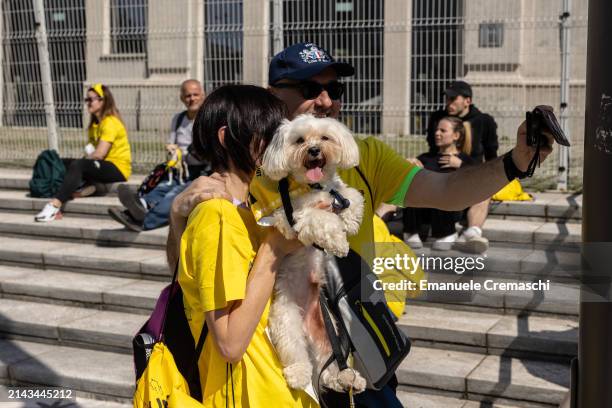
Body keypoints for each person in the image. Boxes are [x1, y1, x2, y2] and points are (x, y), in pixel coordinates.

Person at [166, 42, 555, 407]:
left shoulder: (362, 157)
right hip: (280, 368)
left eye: (335, 89)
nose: (326, 100)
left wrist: (515, 162)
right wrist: (176, 221)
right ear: (272, 95)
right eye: (309, 87)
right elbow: (196, 282)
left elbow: (447, 190)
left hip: (360, 352)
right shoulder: (244, 173)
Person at [177, 84, 318, 407]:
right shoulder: (218, 216)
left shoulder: (251, 208)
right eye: (268, 134)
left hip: (272, 386)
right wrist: (274, 249)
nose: (277, 143)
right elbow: (229, 342)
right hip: (248, 393)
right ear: (228, 138)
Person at [108, 79, 207, 231]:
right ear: (182, 98)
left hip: (201, 172)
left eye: (195, 94)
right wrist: (172, 150)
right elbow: (171, 143)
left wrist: (190, 151)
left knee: (174, 195)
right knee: (161, 187)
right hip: (179, 169)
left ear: (203, 95)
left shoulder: (208, 119)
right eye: (188, 96)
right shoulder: (178, 119)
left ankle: (143, 222)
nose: (192, 99)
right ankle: (139, 206)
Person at [35, 83, 131, 222]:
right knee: (61, 163)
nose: (88, 103)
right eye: (87, 100)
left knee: (78, 165)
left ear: (103, 101)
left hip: (118, 168)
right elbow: (92, 152)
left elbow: (99, 154)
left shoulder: (110, 122)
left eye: (91, 100)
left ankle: (55, 205)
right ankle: (90, 186)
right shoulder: (94, 125)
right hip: (102, 165)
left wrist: (82, 162)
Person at [426, 80, 498, 253]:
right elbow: (432, 149)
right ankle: (377, 222)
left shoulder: (483, 121)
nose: (448, 103)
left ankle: (472, 234)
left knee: (485, 188)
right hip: (441, 173)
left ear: (468, 101)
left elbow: (491, 155)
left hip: (471, 174)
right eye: (447, 99)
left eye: (453, 99)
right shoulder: (438, 118)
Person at [404, 116, 474, 250]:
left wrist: (461, 165)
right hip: (423, 208)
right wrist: (408, 165)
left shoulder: (465, 160)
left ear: (456, 135)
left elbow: (477, 180)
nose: (437, 133)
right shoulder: (426, 157)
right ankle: (411, 231)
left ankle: (447, 233)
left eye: (443, 131)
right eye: (437, 130)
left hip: (450, 209)